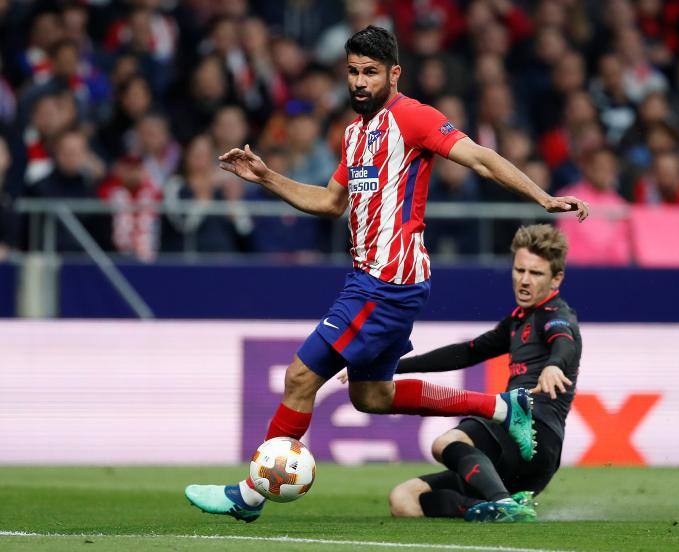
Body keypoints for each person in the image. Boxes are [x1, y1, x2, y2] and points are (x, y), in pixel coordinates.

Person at [185, 26, 588, 523]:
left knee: (299, 376)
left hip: (386, 283)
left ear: (393, 74)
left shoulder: (414, 118)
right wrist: (266, 177)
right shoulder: (354, 134)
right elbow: (331, 203)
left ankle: (248, 496)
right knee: (371, 395)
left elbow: (480, 159)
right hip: (374, 281)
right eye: (353, 71)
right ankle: (504, 409)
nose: (359, 82)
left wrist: (542, 197)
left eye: (370, 73)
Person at [366, 224, 581, 523]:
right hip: (512, 461)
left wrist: (555, 364)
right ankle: (494, 508)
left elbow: (564, 341)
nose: (524, 280)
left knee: (445, 443)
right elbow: (468, 352)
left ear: (556, 278)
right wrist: (389, 367)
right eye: (520, 270)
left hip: (533, 432)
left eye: (536, 273)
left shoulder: (556, 315)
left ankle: (501, 501)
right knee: (403, 500)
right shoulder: (518, 320)